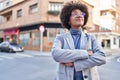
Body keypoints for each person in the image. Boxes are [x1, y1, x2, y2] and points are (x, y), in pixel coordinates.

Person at [51, 1, 106, 80]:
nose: (80, 15)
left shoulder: (91, 38)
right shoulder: (60, 38)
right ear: (68, 20)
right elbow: (56, 54)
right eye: (75, 13)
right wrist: (85, 53)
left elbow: (102, 57)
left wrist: (76, 64)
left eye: (82, 13)